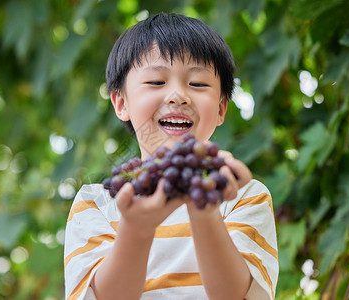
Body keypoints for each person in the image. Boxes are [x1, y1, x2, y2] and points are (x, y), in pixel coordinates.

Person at [64, 12, 278, 300]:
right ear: (121, 102)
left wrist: (205, 212)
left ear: (221, 109)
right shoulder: (97, 204)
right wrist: (136, 230)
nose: (178, 96)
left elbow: (237, 295)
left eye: (198, 84)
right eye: (156, 82)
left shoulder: (241, 195)